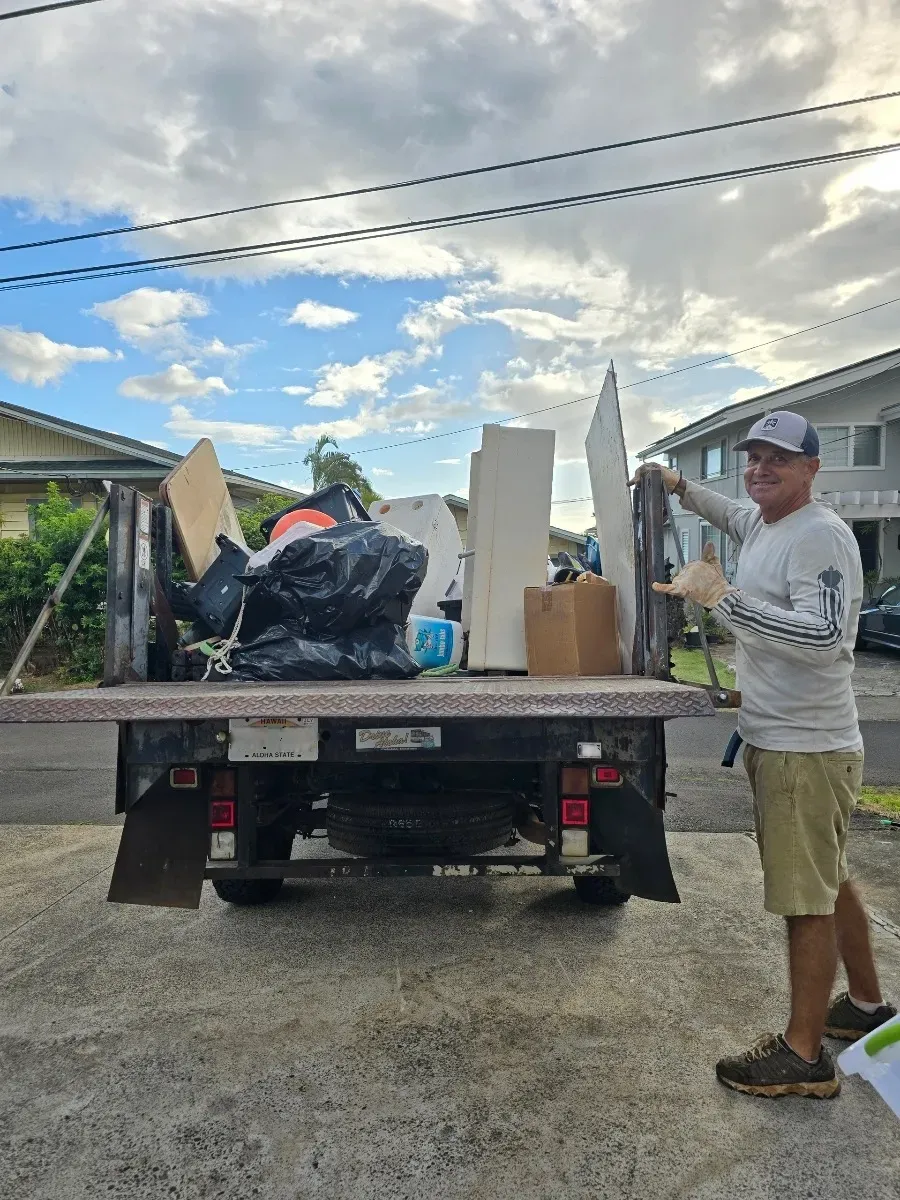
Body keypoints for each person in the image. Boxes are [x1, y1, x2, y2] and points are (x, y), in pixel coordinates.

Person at [636, 410, 896, 1099]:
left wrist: (725, 599)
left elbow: (823, 637)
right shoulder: (764, 521)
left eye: (777, 459)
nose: (759, 468)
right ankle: (867, 1007)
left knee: (804, 900)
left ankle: (803, 1055)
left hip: (803, 750)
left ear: (812, 468)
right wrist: (681, 485)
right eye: (753, 457)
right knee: (829, 877)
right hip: (787, 739)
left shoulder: (822, 537)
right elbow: (730, 513)